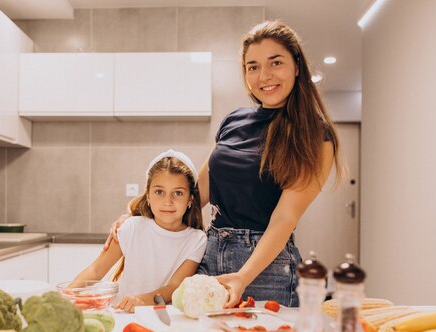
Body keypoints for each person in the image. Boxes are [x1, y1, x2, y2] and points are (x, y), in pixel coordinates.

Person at [106, 20, 342, 308]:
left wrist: (243, 276)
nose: (264, 75)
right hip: (211, 250)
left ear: (296, 66)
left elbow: (285, 218)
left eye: (275, 62)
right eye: (252, 66)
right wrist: (136, 215)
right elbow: (195, 193)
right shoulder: (234, 121)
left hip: (264, 269)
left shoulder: (316, 136)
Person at [72, 150, 207, 313]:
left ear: (190, 200)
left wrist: (142, 301)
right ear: (148, 196)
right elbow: (96, 270)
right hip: (122, 314)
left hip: (164, 317)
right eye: (159, 192)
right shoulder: (132, 227)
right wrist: (66, 297)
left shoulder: (196, 239)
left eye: (178, 193)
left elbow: (174, 287)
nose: (168, 201)